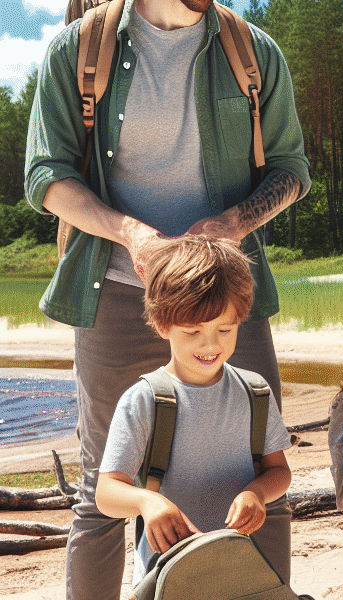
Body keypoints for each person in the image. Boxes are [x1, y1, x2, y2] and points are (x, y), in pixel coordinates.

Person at [23, 0, 310, 597]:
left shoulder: (252, 52)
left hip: (231, 298)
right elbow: (44, 176)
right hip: (115, 293)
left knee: (264, 481)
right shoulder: (76, 51)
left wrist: (233, 222)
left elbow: (291, 170)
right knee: (99, 492)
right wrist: (129, 232)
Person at [94, 236, 292, 587]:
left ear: (240, 320)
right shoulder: (144, 400)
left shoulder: (255, 392)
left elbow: (279, 472)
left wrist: (256, 493)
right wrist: (147, 502)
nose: (210, 344)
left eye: (224, 329)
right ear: (162, 325)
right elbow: (107, 493)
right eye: (192, 331)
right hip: (168, 575)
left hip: (244, 570)